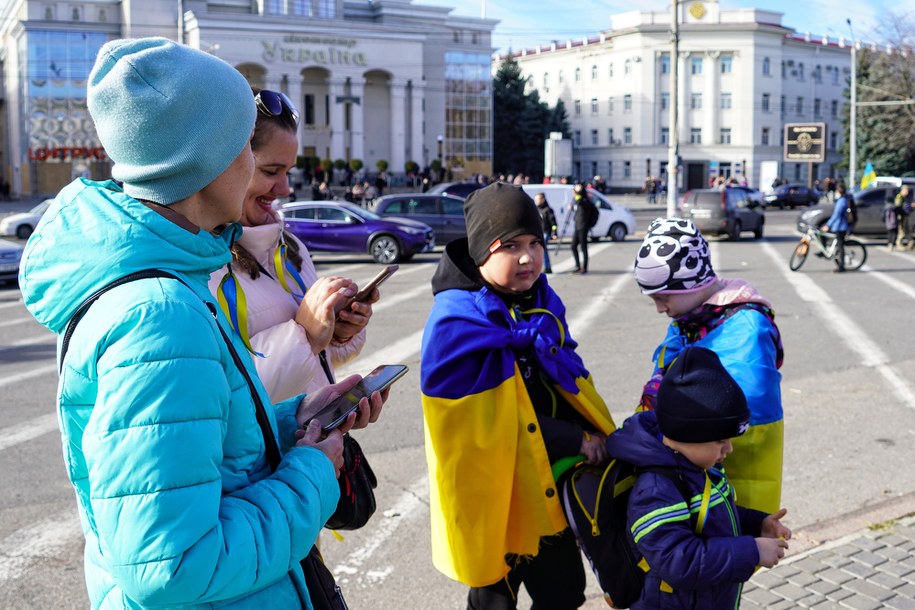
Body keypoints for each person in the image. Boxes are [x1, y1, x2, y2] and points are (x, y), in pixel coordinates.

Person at [19, 38, 385, 609]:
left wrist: (294, 422)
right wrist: (314, 469)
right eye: (244, 145)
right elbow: (171, 564)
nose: (267, 176)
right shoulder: (158, 315)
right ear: (204, 160)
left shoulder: (170, 282)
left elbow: (209, 452)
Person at [420, 182, 616, 610]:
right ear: (480, 252)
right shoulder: (456, 323)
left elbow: (568, 381)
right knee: (494, 597)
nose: (527, 257)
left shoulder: (541, 301)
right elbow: (482, 425)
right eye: (509, 245)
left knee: (564, 593)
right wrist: (577, 440)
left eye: (535, 242)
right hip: (499, 494)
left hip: (550, 483)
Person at [207, 87, 375, 403]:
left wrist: (338, 331)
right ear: (228, 163)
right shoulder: (201, 264)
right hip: (273, 451)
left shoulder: (290, 247)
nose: (285, 188)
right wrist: (306, 335)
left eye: (289, 171)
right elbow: (225, 400)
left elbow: (315, 363)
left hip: (316, 446)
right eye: (272, 171)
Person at [606, 346, 791, 609]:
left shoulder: (694, 467)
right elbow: (678, 561)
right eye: (721, 441)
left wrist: (757, 524)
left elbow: (714, 516)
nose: (729, 449)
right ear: (687, 434)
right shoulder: (656, 489)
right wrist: (752, 551)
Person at [633, 217, 784, 515]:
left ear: (695, 283)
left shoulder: (747, 329)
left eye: (663, 298)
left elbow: (738, 413)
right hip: (699, 462)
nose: (660, 309)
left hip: (740, 462)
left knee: (732, 536)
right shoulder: (693, 319)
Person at [825, 183, 850, 272]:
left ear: (839, 191)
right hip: (839, 226)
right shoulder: (841, 200)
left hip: (841, 227)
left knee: (840, 246)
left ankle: (841, 266)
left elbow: (837, 215)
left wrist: (828, 225)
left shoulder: (842, 201)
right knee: (838, 245)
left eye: (836, 191)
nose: (835, 192)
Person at [570, 182, 592, 274]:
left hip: (583, 226)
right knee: (573, 246)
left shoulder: (584, 200)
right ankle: (577, 265)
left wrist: (579, 190)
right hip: (577, 225)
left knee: (583, 247)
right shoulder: (576, 200)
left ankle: (584, 268)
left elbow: (582, 200)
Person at [534, 191, 557, 274]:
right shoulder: (536, 209)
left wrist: (554, 233)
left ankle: (547, 267)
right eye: (536, 199)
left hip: (546, 232)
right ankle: (545, 266)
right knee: (542, 250)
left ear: (543, 199)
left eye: (539, 199)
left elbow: (553, 222)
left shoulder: (548, 210)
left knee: (543, 249)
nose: (537, 201)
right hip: (538, 232)